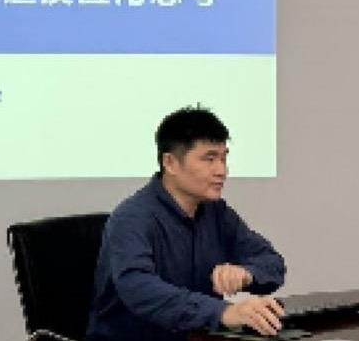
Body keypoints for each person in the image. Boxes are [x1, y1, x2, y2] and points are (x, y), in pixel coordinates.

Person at [87, 105, 287, 341]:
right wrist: (222, 312)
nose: (222, 170)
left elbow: (272, 263)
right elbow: (138, 287)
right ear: (170, 163)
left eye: (224, 158)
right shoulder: (132, 218)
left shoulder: (217, 213)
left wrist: (246, 273)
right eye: (209, 159)